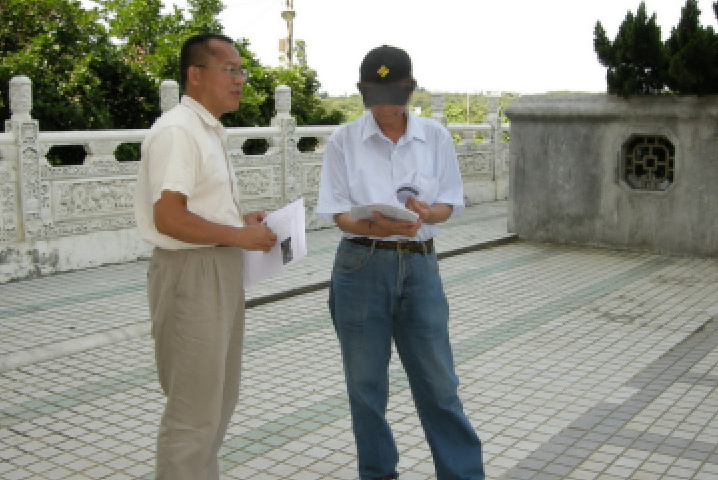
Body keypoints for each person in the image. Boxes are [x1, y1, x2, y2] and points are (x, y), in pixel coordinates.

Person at [316, 45, 485, 480]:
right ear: (361, 91)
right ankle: (378, 472)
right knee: (365, 385)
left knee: (439, 382)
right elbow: (339, 213)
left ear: (410, 89)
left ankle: (462, 473)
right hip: (361, 265)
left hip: (420, 266)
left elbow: (449, 203)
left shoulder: (435, 137)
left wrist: (427, 214)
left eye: (394, 93)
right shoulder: (343, 140)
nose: (384, 105)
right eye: (374, 94)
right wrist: (378, 226)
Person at [134, 33, 277, 480]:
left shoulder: (207, 130)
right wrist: (238, 235)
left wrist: (239, 222)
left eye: (240, 70)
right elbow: (169, 218)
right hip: (191, 274)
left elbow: (196, 208)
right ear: (195, 75)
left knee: (217, 402)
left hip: (218, 268)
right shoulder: (178, 131)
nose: (239, 80)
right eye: (229, 70)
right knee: (193, 413)